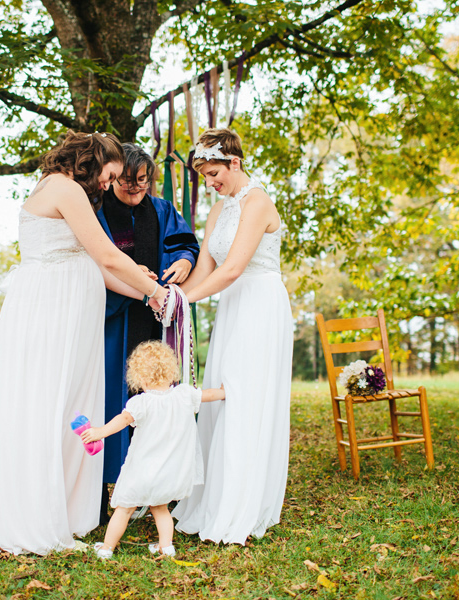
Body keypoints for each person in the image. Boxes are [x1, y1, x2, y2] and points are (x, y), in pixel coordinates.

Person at [0, 131, 170, 556]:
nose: (108, 184)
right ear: (92, 160)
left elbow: (99, 269)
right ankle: (36, 518)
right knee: (49, 406)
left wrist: (144, 293)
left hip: (68, 317)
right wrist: (153, 290)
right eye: (110, 175)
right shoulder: (64, 187)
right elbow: (109, 258)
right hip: (51, 315)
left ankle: (66, 511)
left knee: (70, 409)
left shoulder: (65, 189)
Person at [171, 128, 294, 545]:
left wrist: (185, 303)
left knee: (246, 394)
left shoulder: (257, 201)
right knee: (219, 393)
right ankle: (214, 497)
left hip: (259, 304)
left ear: (234, 162)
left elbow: (233, 269)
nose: (210, 183)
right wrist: (172, 298)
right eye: (204, 176)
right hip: (231, 308)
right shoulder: (218, 210)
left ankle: (242, 502)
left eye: (214, 173)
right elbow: (207, 268)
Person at [95, 144, 200, 522]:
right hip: (115, 321)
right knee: (113, 401)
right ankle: (108, 485)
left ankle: (159, 486)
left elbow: (184, 243)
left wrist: (185, 261)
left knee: (158, 401)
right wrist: (133, 276)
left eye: (143, 181)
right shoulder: (98, 211)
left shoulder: (161, 210)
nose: (136, 188)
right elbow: (98, 259)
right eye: (127, 181)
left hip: (157, 324)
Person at [80, 341, 225, 559]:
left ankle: (106, 548)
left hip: (140, 472)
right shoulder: (184, 394)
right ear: (170, 371)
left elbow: (121, 421)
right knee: (160, 509)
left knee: (124, 509)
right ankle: (166, 548)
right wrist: (225, 392)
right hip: (169, 473)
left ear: (140, 378)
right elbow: (209, 395)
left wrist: (99, 432)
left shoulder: (141, 403)